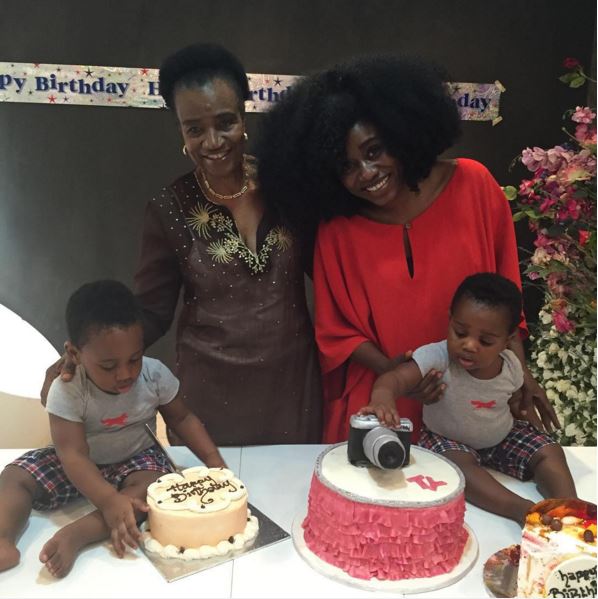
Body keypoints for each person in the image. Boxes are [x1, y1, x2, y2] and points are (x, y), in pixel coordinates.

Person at [256, 54, 559, 444]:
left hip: (469, 404)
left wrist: (522, 378)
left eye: (374, 150)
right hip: (380, 407)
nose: (367, 174)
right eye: (346, 166)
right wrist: (400, 378)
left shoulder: (476, 186)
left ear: (401, 133)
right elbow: (337, 333)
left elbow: (506, 303)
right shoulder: (337, 230)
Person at [41, 43, 322, 446]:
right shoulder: (169, 209)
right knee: (214, 502)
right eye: (195, 129)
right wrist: (87, 354)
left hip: (292, 387)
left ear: (244, 117)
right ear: (181, 132)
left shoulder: (287, 188)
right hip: (210, 396)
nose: (212, 141)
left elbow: (335, 274)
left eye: (224, 122)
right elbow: (152, 312)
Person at [0, 280, 225, 577]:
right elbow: (73, 455)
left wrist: (214, 462)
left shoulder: (153, 374)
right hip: (81, 461)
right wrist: (107, 497)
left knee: (154, 491)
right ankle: (3, 537)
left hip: (137, 458)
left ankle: (78, 533)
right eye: (108, 366)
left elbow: (182, 419)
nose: (126, 374)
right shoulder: (67, 389)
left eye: (134, 359)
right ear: (75, 354)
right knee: (14, 476)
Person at [361, 273, 576, 524]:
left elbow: (513, 400)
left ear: (507, 341)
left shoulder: (511, 366)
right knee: (458, 469)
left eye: (485, 341)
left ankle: (570, 509)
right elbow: (395, 378)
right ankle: (522, 509)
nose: (469, 345)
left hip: (500, 437)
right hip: (449, 440)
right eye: (460, 332)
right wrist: (382, 397)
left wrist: (523, 412)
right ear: (450, 320)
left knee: (550, 449)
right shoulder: (437, 356)